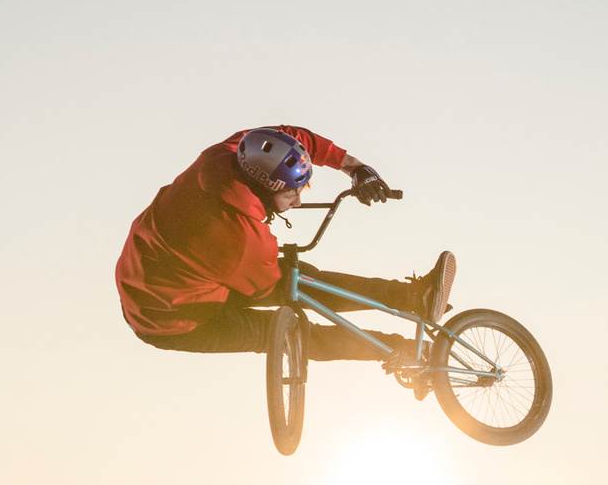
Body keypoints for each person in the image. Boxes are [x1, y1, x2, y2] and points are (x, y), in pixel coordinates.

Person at [114, 125, 455, 364]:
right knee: (297, 318)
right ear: (265, 188)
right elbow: (276, 286)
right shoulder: (237, 239)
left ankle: (414, 299)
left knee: (303, 279)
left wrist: (356, 168)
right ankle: (402, 349)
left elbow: (294, 138)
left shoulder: (231, 153)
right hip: (174, 318)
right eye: (291, 193)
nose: (298, 202)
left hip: (149, 268)